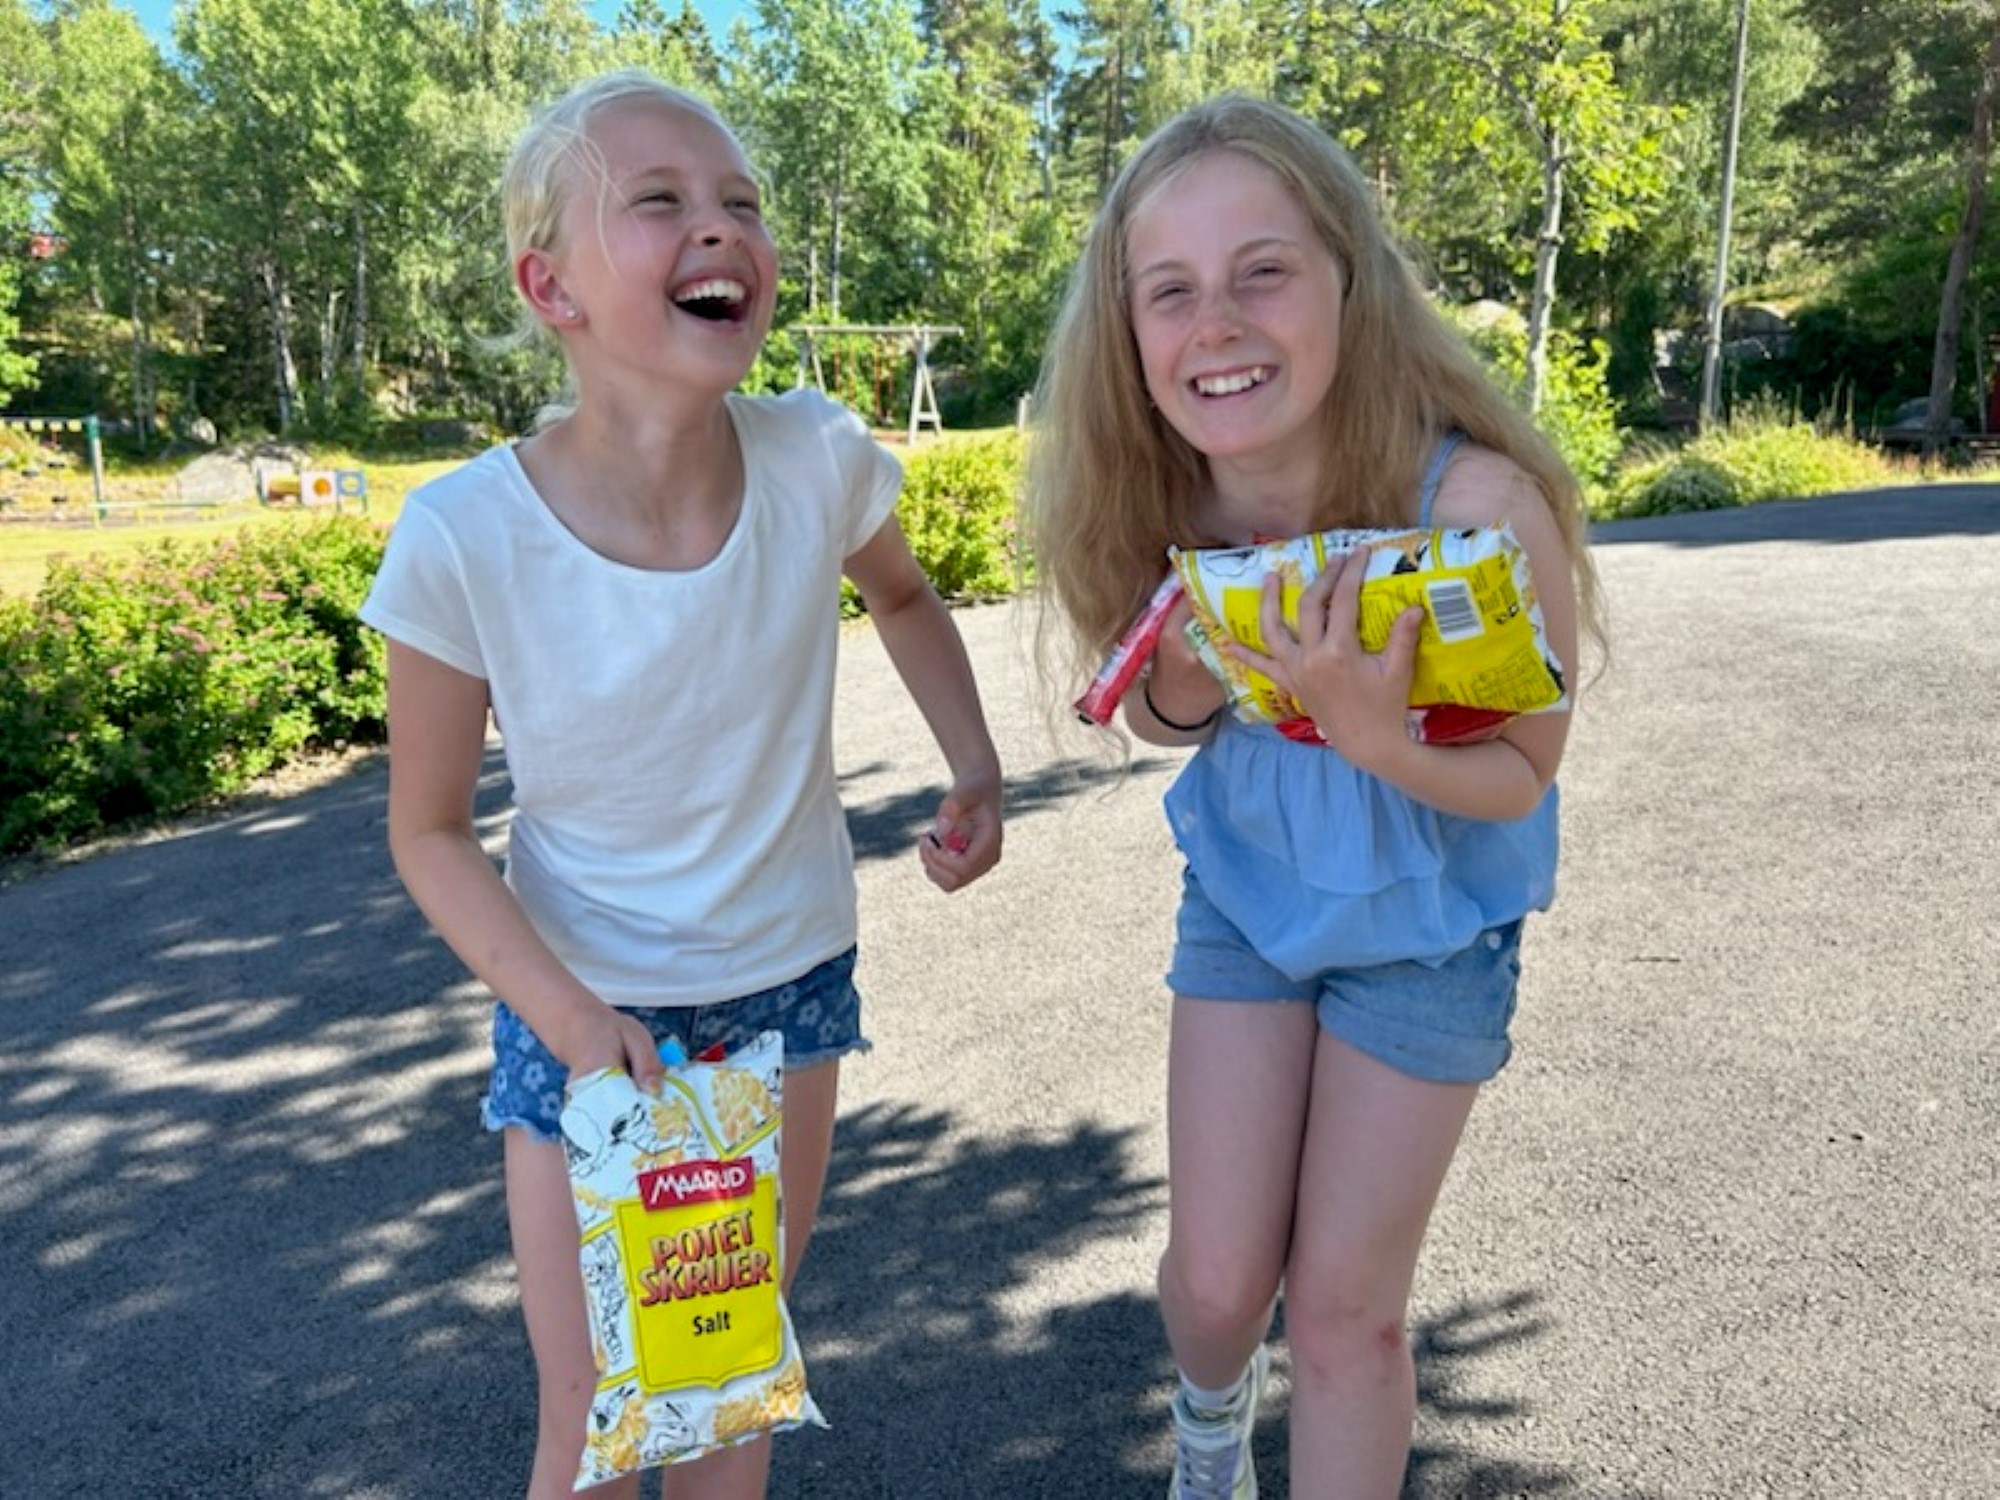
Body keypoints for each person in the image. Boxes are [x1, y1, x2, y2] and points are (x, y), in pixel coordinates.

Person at [359, 70, 1004, 1500]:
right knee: (594, 1411)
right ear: (553, 287)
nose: (720, 228)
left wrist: (974, 761)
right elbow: (427, 832)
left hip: (787, 997)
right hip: (583, 1015)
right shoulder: (465, 536)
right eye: (659, 202)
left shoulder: (820, 457)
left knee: (723, 1386)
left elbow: (901, 599)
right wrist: (578, 1026)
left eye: (741, 205)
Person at [1026, 94, 1603, 1500]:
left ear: (1353, 276)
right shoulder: (1161, 502)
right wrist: (1194, 678)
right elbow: (1164, 718)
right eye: (1170, 292)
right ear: (1131, 335)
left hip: (1432, 924)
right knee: (1219, 1285)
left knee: (1349, 1314)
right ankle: (1208, 1427)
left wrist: (1367, 729)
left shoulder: (1476, 512)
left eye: (1262, 271)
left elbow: (1522, 770)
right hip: (1246, 900)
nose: (1214, 322)